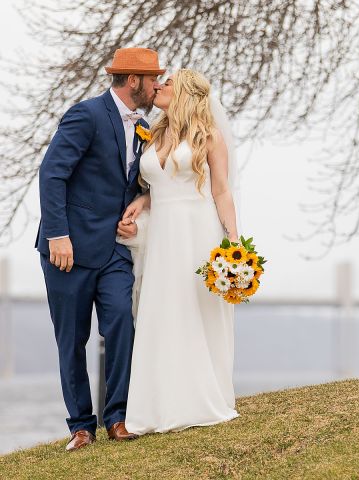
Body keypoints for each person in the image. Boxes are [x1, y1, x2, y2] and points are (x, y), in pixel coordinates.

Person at [35, 47, 164, 451]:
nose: (157, 84)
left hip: (113, 250)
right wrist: (58, 235)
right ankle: (81, 426)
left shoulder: (144, 125)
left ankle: (118, 416)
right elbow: (52, 173)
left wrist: (137, 204)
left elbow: (135, 181)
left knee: (122, 321)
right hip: (68, 251)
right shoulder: (86, 114)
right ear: (132, 81)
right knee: (71, 339)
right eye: (153, 78)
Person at [121, 68, 240, 434]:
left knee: (194, 310)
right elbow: (160, 184)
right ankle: (157, 406)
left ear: (185, 92)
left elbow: (220, 190)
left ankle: (200, 400)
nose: (158, 86)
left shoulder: (209, 136)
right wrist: (142, 201)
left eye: (167, 83)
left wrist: (234, 245)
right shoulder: (154, 133)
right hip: (162, 235)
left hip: (196, 230)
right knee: (162, 311)